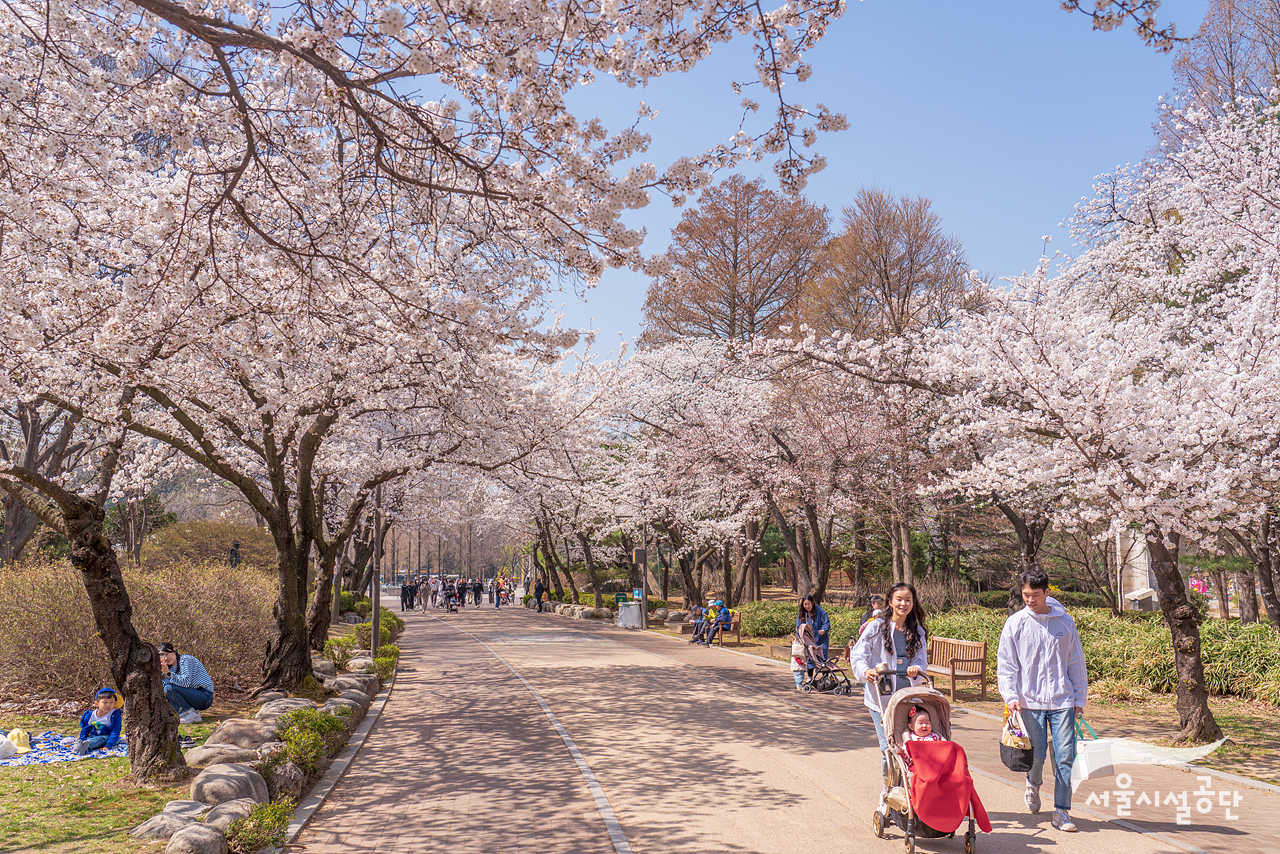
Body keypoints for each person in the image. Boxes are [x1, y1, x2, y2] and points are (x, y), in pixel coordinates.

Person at [997, 568, 1088, 834]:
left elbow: (1075, 662)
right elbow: (1007, 664)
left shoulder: (1064, 622)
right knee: (1036, 757)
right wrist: (1011, 696)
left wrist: (1079, 698)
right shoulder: (1015, 623)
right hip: (1029, 701)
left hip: (1062, 700)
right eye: (1025, 595)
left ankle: (1061, 811)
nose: (1030, 600)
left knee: (1065, 757)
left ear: (1047, 592)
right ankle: (1033, 784)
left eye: (1035, 595)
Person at [849, 582, 928, 806]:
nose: (903, 604)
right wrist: (866, 671)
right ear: (890, 601)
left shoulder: (917, 630)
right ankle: (888, 791)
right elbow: (858, 655)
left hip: (906, 697)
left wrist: (917, 668)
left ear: (913, 603)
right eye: (899, 599)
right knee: (889, 748)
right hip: (881, 699)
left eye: (908, 600)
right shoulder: (875, 628)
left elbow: (921, 659)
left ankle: (909, 789)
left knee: (909, 745)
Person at [158, 641, 215, 724]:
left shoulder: (186, 660)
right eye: (162, 656)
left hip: (204, 696)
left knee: (169, 688)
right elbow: (165, 685)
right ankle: (183, 713)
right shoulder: (170, 668)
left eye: (167, 654)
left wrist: (168, 673)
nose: (166, 658)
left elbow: (186, 682)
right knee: (166, 688)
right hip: (191, 695)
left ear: (174, 650)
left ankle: (190, 714)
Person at [73, 687, 123, 756]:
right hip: (93, 736)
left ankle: (84, 748)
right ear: (96, 703)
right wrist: (82, 739)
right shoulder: (89, 715)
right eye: (105, 702)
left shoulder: (115, 715)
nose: (108, 705)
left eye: (111, 702)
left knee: (96, 741)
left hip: (106, 737)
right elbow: (85, 730)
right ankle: (80, 746)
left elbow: (115, 732)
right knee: (90, 740)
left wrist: (108, 746)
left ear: (115, 703)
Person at [795, 594, 830, 666]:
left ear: (813, 603)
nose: (807, 606)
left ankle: (825, 675)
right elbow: (798, 627)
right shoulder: (802, 614)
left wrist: (823, 630)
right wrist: (799, 637)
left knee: (822, 659)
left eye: (808, 604)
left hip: (821, 640)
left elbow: (826, 623)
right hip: (809, 641)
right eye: (805, 604)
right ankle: (810, 677)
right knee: (811, 659)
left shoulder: (820, 612)